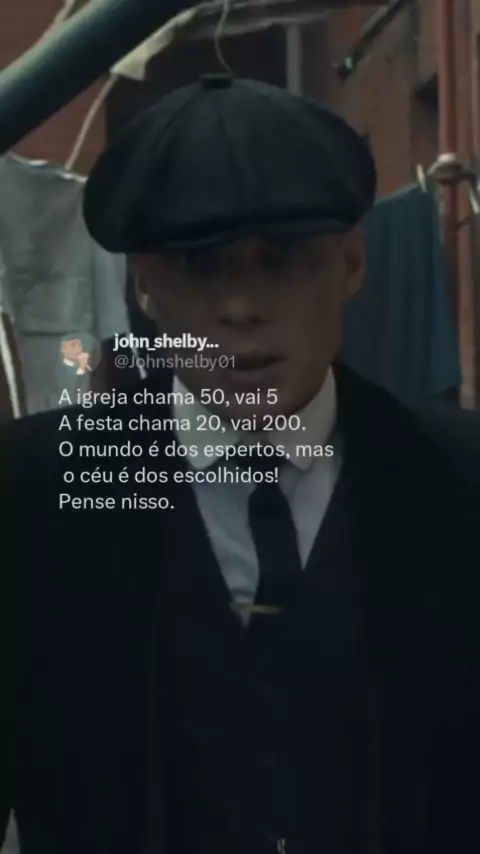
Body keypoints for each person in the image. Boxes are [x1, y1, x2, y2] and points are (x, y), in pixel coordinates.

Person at [1, 74, 479, 854]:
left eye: (281, 259)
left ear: (351, 261)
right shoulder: (31, 495)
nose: (242, 308)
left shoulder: (460, 482)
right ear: (145, 286)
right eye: (201, 265)